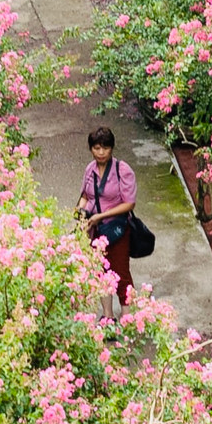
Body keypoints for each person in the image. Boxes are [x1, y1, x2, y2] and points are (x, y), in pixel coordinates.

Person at [76, 126, 137, 314]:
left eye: (105, 148)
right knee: (100, 272)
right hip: (96, 229)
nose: (101, 153)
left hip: (117, 228)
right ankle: (107, 316)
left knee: (120, 272)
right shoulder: (90, 169)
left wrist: (100, 216)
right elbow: (86, 196)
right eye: (96, 148)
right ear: (90, 149)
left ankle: (128, 318)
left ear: (112, 149)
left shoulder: (122, 170)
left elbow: (129, 204)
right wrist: (80, 214)